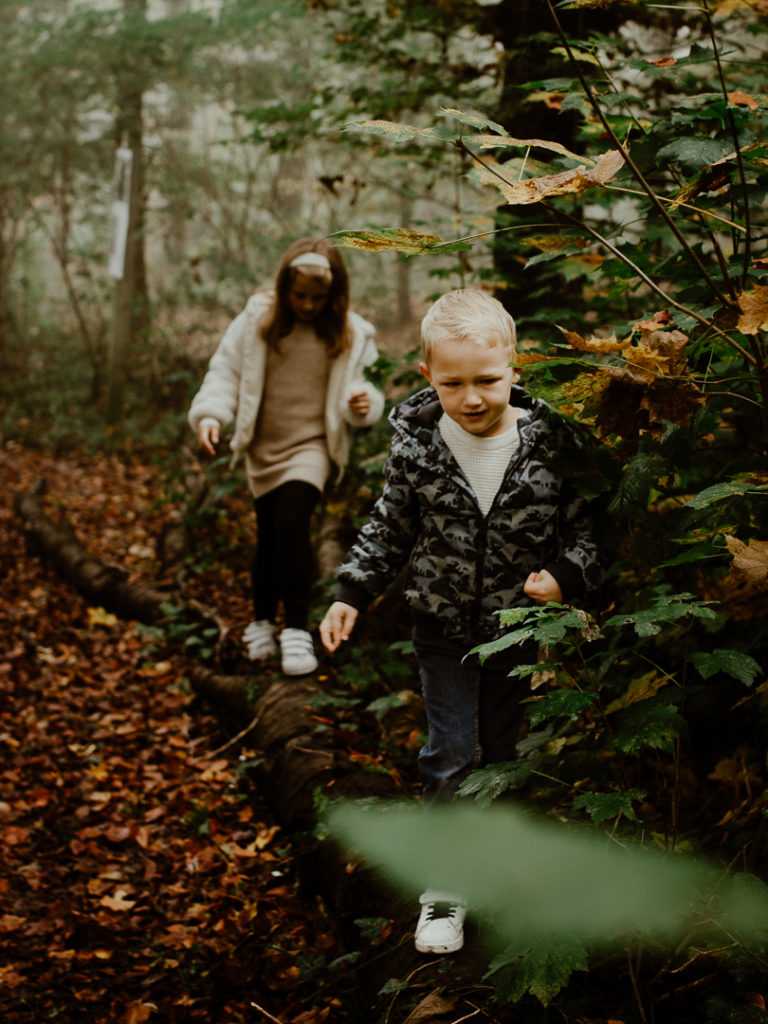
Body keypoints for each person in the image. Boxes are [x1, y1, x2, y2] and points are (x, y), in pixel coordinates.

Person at [319, 288, 601, 954]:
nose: (471, 398)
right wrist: (351, 591)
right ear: (428, 378)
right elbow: (389, 526)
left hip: (517, 632)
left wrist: (565, 574)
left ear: (515, 368)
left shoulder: (551, 444)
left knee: (501, 755)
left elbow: (588, 527)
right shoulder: (417, 446)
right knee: (451, 752)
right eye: (453, 383)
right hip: (442, 629)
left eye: (487, 380)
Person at [189, 237, 385, 676]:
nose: (308, 305)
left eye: (319, 298)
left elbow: (369, 386)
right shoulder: (257, 321)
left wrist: (363, 402)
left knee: (291, 523)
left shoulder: (353, 334)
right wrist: (210, 414)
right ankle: (261, 622)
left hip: (313, 445)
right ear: (282, 288)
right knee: (268, 534)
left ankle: (296, 629)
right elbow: (225, 371)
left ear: (335, 295)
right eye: (299, 296)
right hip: (263, 446)